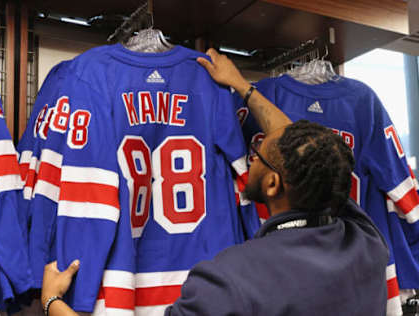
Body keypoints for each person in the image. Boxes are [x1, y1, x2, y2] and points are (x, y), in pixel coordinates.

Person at [41, 48, 389, 316]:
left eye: (258, 155)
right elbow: (300, 146)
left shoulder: (230, 277)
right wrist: (242, 87)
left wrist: (53, 302)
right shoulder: (367, 244)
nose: (250, 157)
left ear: (272, 185)